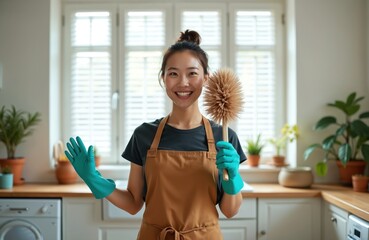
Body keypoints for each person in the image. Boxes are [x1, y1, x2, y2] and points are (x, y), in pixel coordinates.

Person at [65, 29, 246, 240]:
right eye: (173, 73)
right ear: (163, 78)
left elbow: (230, 211)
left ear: (206, 78)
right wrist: (94, 179)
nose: (183, 82)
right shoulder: (144, 135)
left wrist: (233, 178)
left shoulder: (224, 138)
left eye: (192, 73)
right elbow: (133, 203)